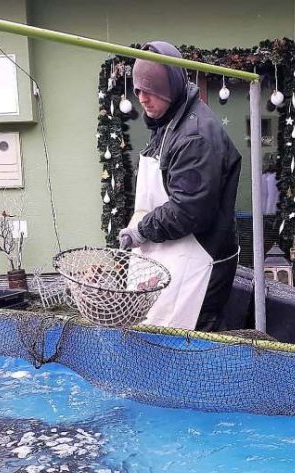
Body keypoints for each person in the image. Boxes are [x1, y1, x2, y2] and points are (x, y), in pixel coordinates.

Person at [117, 41, 242, 332]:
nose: (143, 99)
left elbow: (189, 209)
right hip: (175, 255)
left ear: (171, 88)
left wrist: (142, 230)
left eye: (151, 91)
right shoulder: (168, 122)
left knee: (192, 342)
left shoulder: (195, 136)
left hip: (200, 262)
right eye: (138, 90)